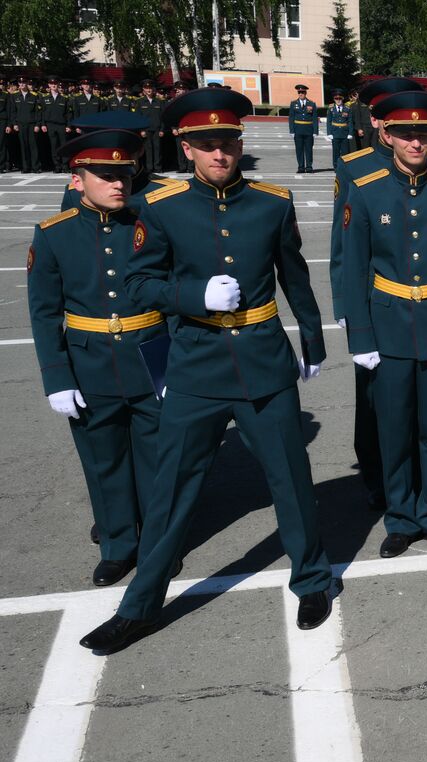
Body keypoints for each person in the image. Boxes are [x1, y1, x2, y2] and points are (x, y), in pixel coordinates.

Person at [80, 86, 334, 652]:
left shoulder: (272, 201)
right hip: (195, 367)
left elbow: (295, 276)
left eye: (227, 143)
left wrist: (312, 341)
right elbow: (139, 284)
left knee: (291, 481)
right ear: (185, 148)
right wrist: (194, 294)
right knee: (171, 492)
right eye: (206, 144)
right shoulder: (161, 208)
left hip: (263, 364)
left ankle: (312, 580)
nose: (219, 154)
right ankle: (141, 605)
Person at [28, 129, 166, 588]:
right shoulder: (54, 235)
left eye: (124, 174)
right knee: (103, 459)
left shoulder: (153, 223)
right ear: (78, 178)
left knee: (156, 457)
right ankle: (118, 544)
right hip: (89, 363)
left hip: (151, 356)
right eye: (105, 176)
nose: (118, 184)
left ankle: (157, 544)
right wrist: (56, 377)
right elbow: (45, 313)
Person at [342, 88, 427, 558]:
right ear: (386, 134)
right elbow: (351, 267)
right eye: (405, 134)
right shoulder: (367, 191)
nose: (416, 143)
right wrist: (359, 334)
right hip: (389, 325)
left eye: (422, 133)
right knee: (394, 428)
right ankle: (400, 516)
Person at [330, 78, 427, 512]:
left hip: (423, 304)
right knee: (373, 401)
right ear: (377, 122)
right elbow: (342, 245)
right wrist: (346, 308)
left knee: (421, 405)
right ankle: (376, 475)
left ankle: (421, 478)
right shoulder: (353, 168)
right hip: (376, 303)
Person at [41, 77, 70, 172]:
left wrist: (68, 126)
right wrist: (43, 124)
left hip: (62, 125)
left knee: (64, 146)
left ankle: (65, 165)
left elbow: (68, 114)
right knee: (54, 146)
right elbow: (42, 112)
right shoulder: (45, 98)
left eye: (55, 84)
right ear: (49, 85)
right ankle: (57, 166)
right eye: (51, 84)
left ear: (58, 85)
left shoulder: (64, 98)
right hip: (50, 125)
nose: (53, 85)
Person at [135, 79, 164, 173]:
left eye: (150, 88)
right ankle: (149, 168)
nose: (149, 90)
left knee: (157, 149)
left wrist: (162, 129)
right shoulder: (140, 102)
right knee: (148, 149)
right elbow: (138, 118)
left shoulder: (159, 102)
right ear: (143, 90)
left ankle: (157, 167)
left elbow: (163, 117)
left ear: (154, 89)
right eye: (147, 88)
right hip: (146, 130)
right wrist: (141, 130)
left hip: (157, 129)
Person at [288, 83, 318, 172]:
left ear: (305, 93)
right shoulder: (293, 103)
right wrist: (292, 131)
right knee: (299, 150)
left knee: (309, 149)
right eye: (299, 92)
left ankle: (309, 167)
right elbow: (291, 118)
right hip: (298, 130)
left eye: (302, 92)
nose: (301, 94)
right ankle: (300, 167)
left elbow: (314, 118)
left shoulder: (312, 104)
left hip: (309, 130)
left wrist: (315, 131)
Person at [326, 89, 351, 165]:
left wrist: (350, 133)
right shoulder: (331, 108)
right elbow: (329, 121)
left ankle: (344, 167)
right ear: (334, 99)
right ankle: (336, 166)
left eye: (340, 98)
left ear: (343, 99)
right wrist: (329, 133)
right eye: (336, 99)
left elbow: (350, 121)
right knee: (336, 152)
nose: (338, 100)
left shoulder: (347, 108)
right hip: (335, 133)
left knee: (345, 152)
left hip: (344, 133)